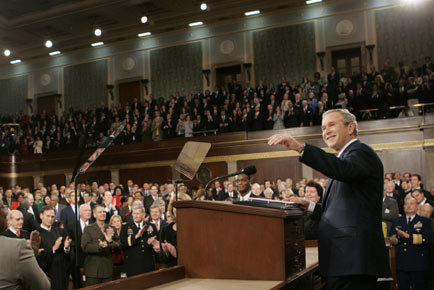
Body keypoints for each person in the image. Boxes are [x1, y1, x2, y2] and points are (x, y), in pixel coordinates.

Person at [268, 109, 390, 289]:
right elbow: (340, 210)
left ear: (350, 128)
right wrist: (308, 205)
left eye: (332, 125)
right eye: (323, 128)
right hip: (344, 262)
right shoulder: (345, 159)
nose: (326, 131)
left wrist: (300, 148)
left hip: (354, 262)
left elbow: (341, 169)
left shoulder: (361, 152)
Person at [0, 203, 51, 290]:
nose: (21, 221)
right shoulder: (5, 236)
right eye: (18, 219)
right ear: (9, 221)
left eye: (22, 219)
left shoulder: (26, 233)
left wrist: (34, 253)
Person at [389, 196, 433, 290]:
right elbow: (392, 238)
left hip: (418, 264)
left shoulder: (425, 221)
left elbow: (427, 239)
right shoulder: (397, 221)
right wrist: (395, 238)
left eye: (411, 204)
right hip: (401, 264)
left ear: (417, 207)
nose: (408, 206)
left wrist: (408, 236)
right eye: (406, 204)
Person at [81, 204, 122, 286]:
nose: (103, 213)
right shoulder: (88, 229)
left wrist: (110, 242)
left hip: (108, 270)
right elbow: (85, 247)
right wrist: (99, 246)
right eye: (100, 212)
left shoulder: (111, 228)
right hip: (93, 271)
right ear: (94, 215)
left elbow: (119, 246)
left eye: (104, 212)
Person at [37, 205, 72, 290]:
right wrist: (54, 248)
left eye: (52, 217)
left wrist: (66, 248)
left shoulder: (60, 231)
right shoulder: (35, 233)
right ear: (41, 216)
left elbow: (68, 254)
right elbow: (38, 257)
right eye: (47, 216)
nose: (50, 219)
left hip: (61, 273)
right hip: (46, 274)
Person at [120, 205, 157, 276]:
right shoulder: (126, 226)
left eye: (138, 213)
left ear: (143, 215)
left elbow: (157, 241)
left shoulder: (150, 226)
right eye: (134, 213)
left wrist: (154, 244)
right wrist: (136, 236)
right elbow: (123, 242)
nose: (135, 216)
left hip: (148, 263)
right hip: (133, 264)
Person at [67, 203, 91, 289]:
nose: (88, 212)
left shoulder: (94, 225)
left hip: (92, 261)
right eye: (86, 210)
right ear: (80, 213)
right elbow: (70, 242)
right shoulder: (71, 226)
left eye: (89, 210)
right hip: (78, 262)